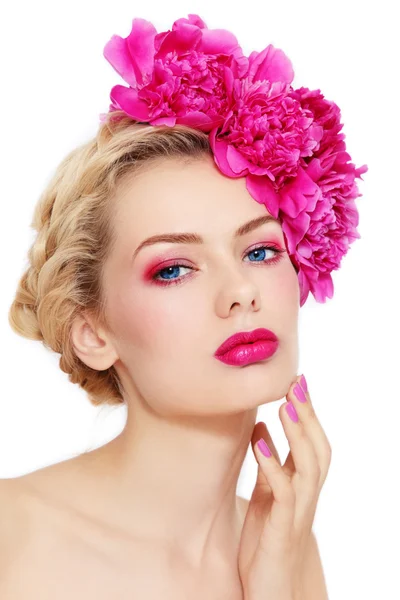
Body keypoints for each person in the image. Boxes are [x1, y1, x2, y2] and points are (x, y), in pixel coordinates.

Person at [1, 13, 367, 599]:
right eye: (173, 269)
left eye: (260, 249)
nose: (240, 291)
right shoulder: (12, 536)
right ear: (93, 331)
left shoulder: (288, 547)